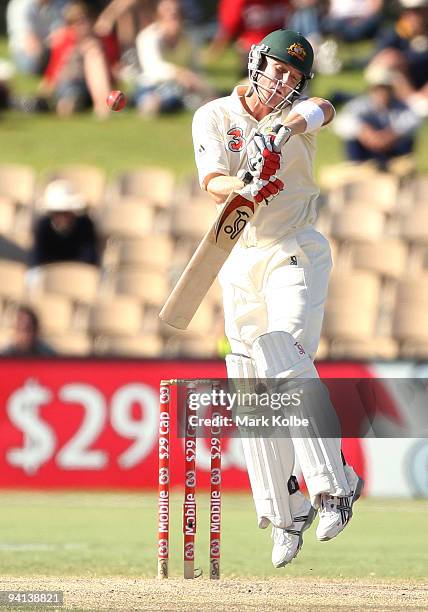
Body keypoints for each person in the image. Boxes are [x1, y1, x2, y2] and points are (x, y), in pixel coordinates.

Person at [191, 29, 363, 568]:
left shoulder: (300, 114)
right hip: (238, 253)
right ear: (255, 62)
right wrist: (245, 183)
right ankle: (285, 513)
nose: (283, 82)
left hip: (295, 247)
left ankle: (335, 485)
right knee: (250, 379)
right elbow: (211, 180)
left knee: (282, 352)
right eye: (277, 70)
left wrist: (279, 133)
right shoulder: (214, 116)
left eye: (293, 76)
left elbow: (323, 107)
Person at [134, 0, 214, 116]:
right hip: (153, 85)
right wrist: (179, 73)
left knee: (207, 102)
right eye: (167, 14)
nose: (172, 17)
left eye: (176, 14)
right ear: (158, 17)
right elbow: (153, 68)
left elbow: (195, 66)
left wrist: (199, 84)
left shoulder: (191, 36)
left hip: (185, 86)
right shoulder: (148, 37)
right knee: (153, 101)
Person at [334, 67, 421, 168]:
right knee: (351, 137)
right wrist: (365, 131)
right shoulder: (360, 104)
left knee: (406, 140)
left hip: (393, 151)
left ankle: (400, 167)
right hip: (367, 150)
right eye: (377, 89)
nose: (381, 93)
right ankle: (357, 166)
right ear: (371, 89)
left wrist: (391, 135)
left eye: (384, 89)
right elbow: (342, 121)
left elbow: (413, 121)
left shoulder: (402, 106)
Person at [39, 1, 114, 117]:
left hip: (94, 88)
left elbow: (113, 67)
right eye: (76, 23)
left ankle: (103, 104)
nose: (81, 26)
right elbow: (53, 71)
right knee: (70, 102)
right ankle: (102, 105)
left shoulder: (102, 39)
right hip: (71, 84)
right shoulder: (64, 40)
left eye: (84, 21)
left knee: (94, 53)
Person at [368, 0, 428, 117]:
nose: (413, 15)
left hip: (423, 85)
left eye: (418, 11)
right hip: (402, 86)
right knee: (383, 69)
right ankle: (413, 104)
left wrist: (402, 60)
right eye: (409, 11)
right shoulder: (397, 32)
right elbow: (378, 58)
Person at [29, 179, 100, 269]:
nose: (62, 217)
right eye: (58, 213)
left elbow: (90, 259)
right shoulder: (43, 227)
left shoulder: (85, 225)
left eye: (67, 212)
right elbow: (38, 260)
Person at [6, 0, 67, 75]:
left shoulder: (61, 3)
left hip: (51, 49)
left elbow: (65, 32)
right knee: (34, 65)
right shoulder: (21, 5)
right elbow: (31, 45)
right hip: (25, 52)